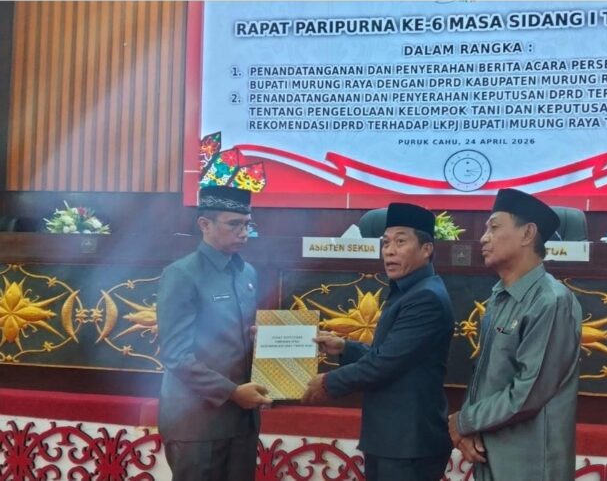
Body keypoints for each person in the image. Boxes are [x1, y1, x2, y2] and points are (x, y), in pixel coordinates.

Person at [302, 202, 455, 481]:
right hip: (392, 439)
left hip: (408, 442)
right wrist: (345, 348)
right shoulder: (408, 290)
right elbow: (389, 354)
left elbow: (386, 363)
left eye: (400, 242)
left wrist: (328, 383)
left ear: (426, 249)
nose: (389, 251)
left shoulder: (425, 297)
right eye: (385, 243)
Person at [448, 188, 582, 481]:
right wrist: (468, 428)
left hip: (529, 465)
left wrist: (465, 421)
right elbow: (486, 378)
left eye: (494, 228)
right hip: (490, 453)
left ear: (527, 234)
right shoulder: (500, 297)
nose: (484, 238)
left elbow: (527, 393)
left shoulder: (551, 301)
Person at [157, 185, 272, 481]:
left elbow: (239, 338)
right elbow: (176, 354)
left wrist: (265, 343)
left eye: (247, 224)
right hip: (197, 422)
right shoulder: (182, 274)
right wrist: (232, 392)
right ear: (204, 225)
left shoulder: (247, 272)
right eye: (234, 224)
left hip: (242, 419)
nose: (244, 233)